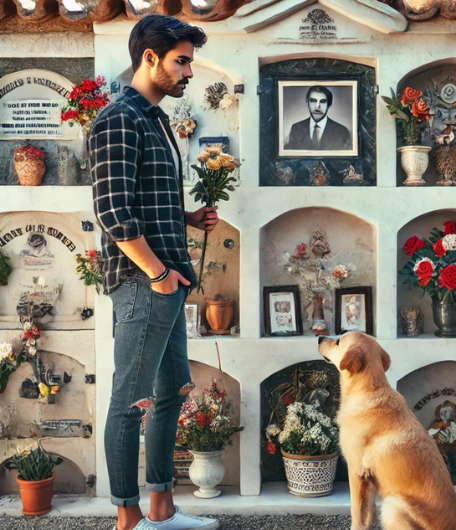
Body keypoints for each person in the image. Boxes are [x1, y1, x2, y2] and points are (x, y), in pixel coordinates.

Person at [89, 15, 219, 530]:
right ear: (150, 58)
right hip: (146, 282)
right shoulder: (119, 117)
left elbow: (144, 198)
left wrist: (186, 217)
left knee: (171, 393)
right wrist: (160, 275)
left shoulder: (156, 118)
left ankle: (162, 511)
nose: (189, 71)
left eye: (190, 60)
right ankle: (129, 519)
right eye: (181, 60)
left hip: (166, 278)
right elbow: (114, 212)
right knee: (130, 402)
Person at [284, 85, 352, 151]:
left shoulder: (341, 131)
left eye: (322, 101)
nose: (317, 106)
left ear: (329, 105)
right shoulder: (296, 128)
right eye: (313, 101)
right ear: (307, 103)